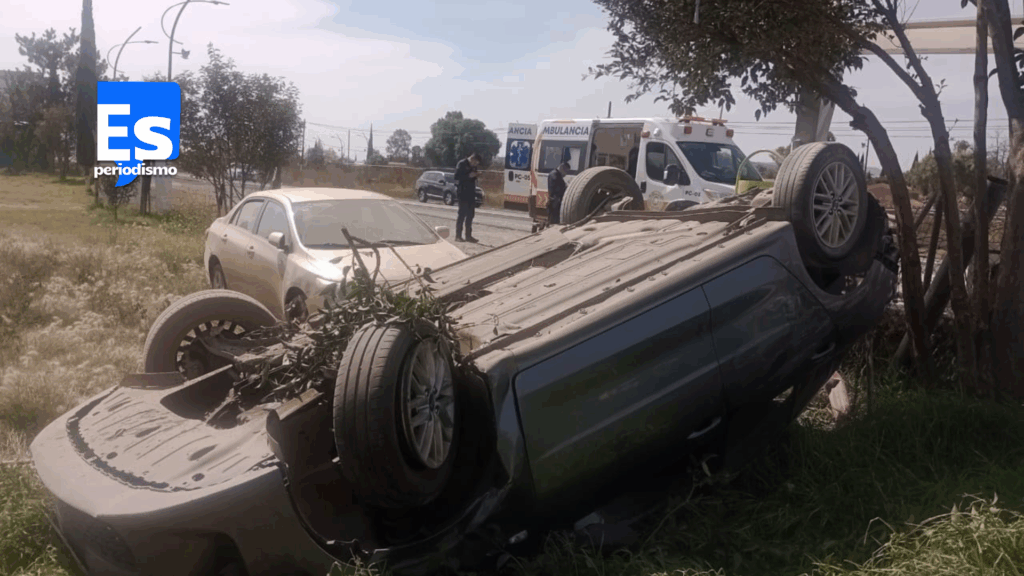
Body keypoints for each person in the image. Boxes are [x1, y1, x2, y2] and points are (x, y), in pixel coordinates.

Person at [453, 152, 481, 242]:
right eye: (475, 162)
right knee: (462, 214)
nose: (475, 165)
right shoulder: (462, 164)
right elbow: (456, 176)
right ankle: (458, 236)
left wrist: (475, 175)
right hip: (462, 192)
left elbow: (472, 177)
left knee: (470, 215)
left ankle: (468, 236)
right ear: (472, 158)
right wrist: (468, 176)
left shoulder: (473, 166)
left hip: (471, 192)